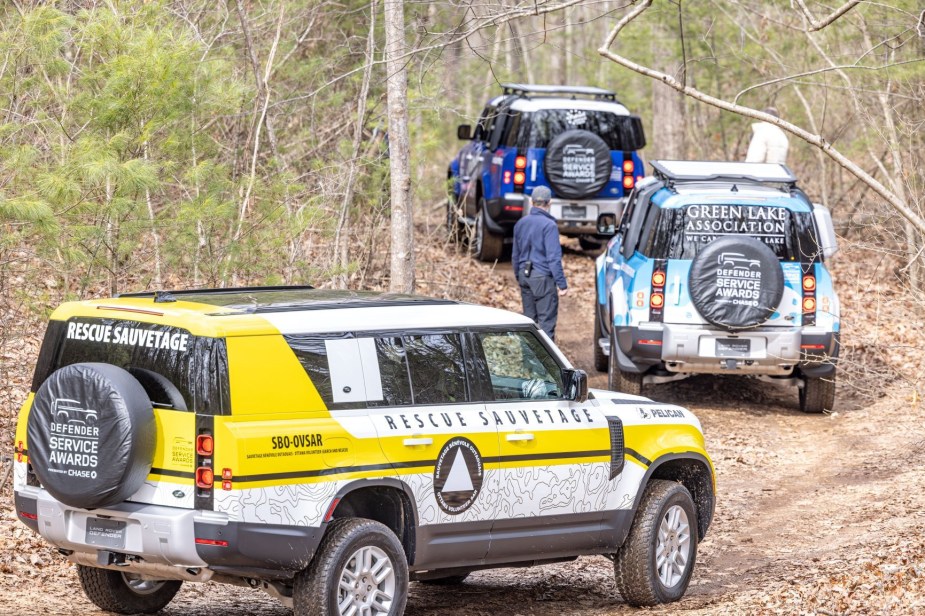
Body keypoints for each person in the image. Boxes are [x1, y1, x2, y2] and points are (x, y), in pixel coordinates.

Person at [512, 186, 568, 340]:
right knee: (546, 326)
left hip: (525, 276)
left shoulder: (520, 223)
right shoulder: (549, 226)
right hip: (542, 279)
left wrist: (519, 276)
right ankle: (546, 364)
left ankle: (528, 362)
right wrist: (561, 284)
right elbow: (553, 258)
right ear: (549, 203)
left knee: (529, 325)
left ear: (531, 202)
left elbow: (515, 255)